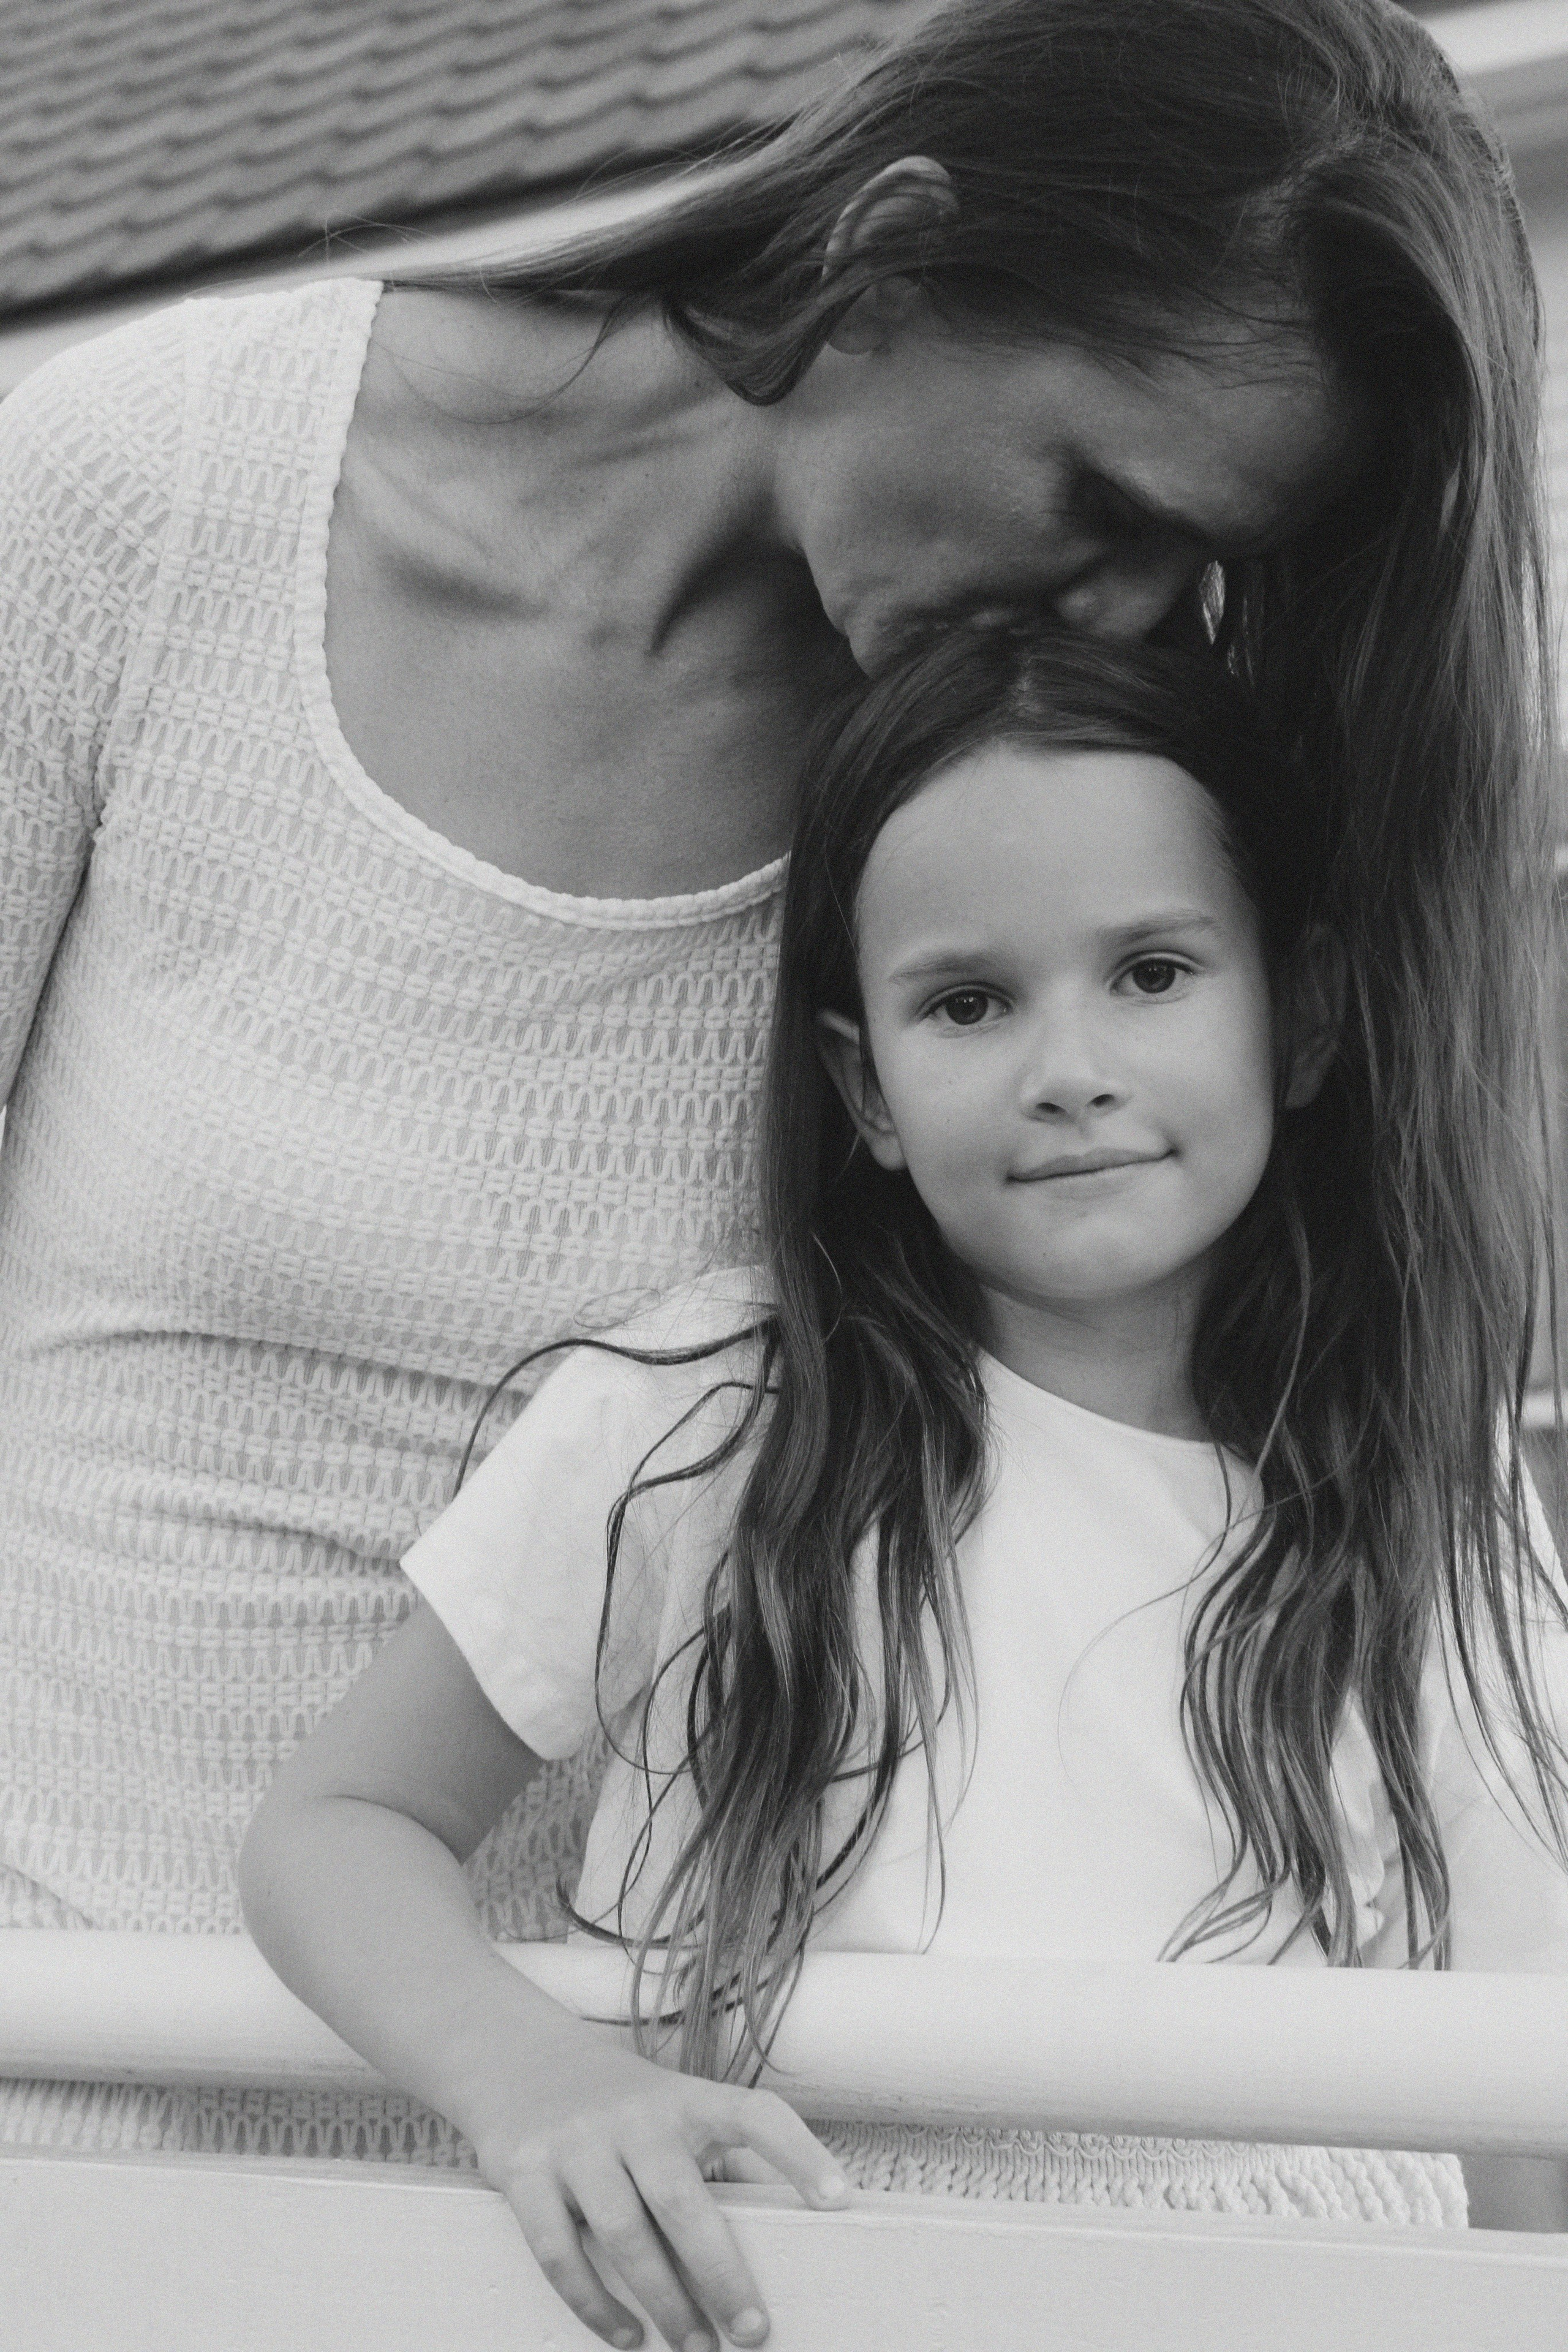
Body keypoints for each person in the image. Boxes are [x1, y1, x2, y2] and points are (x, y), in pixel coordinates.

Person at [0, 0, 1549, 2162]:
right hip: (104, 2151)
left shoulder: (1044, 833)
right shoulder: (142, 501)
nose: (1127, 610)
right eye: (1102, 495)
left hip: (734, 2228)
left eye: (1202, 568)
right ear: (889, 254)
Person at [241, 622, 1568, 2352]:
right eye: (969, 1002)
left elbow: (1521, 2038)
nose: (1068, 1064)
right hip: (807, 2272)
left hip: (1303, 2289)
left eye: (1154, 972)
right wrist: (532, 2078)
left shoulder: (1419, 1475)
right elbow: (335, 1827)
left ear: (1302, 1014)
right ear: (865, 1082)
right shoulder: (722, 1415)